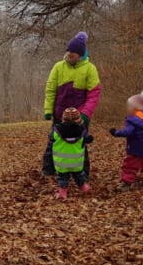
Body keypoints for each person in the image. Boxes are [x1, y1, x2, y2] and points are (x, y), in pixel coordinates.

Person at [43, 31, 102, 176]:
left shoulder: (90, 69)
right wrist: (48, 110)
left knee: (80, 144)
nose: (69, 55)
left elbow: (94, 94)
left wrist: (85, 114)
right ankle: (49, 170)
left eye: (73, 53)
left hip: (79, 116)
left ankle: (82, 172)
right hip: (59, 115)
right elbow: (50, 89)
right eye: (68, 51)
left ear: (80, 55)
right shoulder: (58, 67)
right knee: (55, 142)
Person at [51, 108, 93, 199]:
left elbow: (51, 138)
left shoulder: (56, 130)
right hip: (77, 162)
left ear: (63, 119)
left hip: (61, 162)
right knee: (79, 175)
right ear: (79, 119)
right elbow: (89, 139)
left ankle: (63, 193)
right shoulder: (82, 130)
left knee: (63, 178)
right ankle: (84, 188)